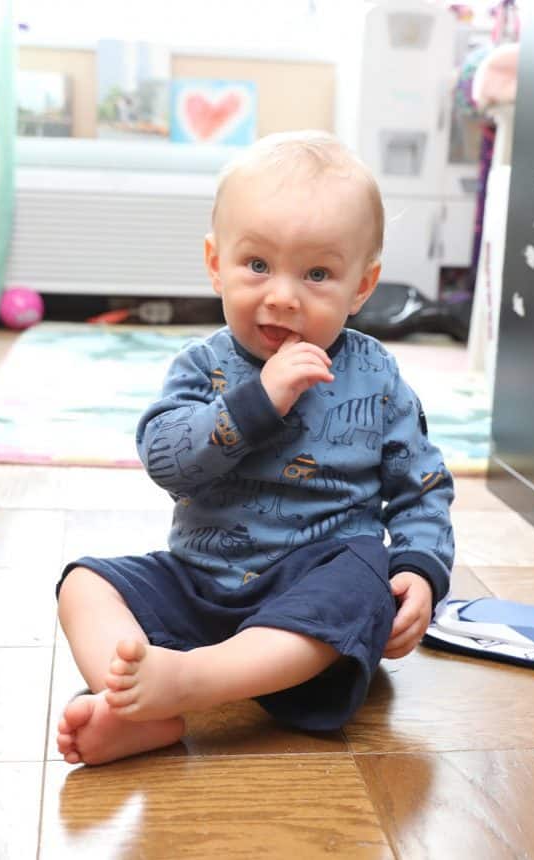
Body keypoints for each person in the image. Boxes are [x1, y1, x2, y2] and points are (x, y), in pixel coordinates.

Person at [55, 130, 455, 765]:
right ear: (216, 263)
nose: (283, 296)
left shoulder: (374, 375)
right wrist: (254, 404)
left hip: (309, 598)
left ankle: (188, 683)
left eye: (318, 273)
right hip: (201, 581)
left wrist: (420, 571)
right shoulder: (203, 366)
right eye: (258, 265)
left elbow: (421, 487)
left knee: (363, 580)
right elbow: (168, 463)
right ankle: (128, 705)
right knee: (83, 584)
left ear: (362, 285)